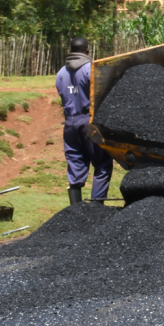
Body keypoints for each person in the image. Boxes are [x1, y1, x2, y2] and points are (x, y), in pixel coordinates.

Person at [55, 36, 112, 205]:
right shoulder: (91, 69)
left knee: (75, 164)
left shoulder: (60, 73)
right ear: (87, 50)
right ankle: (96, 208)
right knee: (102, 163)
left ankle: (75, 211)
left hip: (70, 124)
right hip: (89, 122)